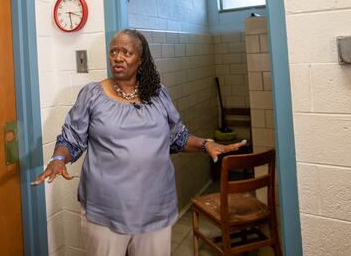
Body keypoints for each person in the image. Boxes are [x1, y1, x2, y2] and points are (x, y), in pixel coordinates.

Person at [35, 29, 246, 256]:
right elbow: (71, 138)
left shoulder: (158, 95)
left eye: (126, 52)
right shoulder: (92, 95)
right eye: (113, 51)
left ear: (141, 59)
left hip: (155, 207)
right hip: (106, 209)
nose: (117, 57)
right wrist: (58, 158)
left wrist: (206, 144)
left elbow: (177, 138)